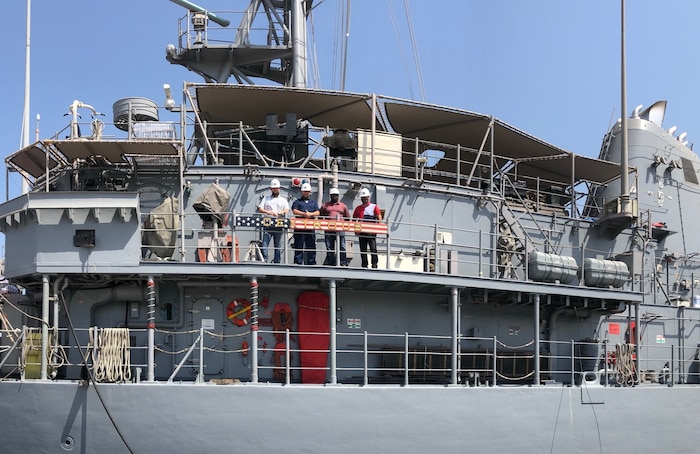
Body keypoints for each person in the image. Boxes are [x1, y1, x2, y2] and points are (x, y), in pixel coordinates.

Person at [257, 179, 289, 263]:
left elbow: (286, 209)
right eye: (273, 188)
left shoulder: (283, 200)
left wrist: (279, 213)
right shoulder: (266, 198)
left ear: (279, 189)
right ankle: (265, 259)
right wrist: (269, 212)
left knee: (277, 244)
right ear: (271, 189)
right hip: (268, 223)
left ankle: (277, 261)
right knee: (265, 243)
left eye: (276, 188)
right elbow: (260, 208)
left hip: (278, 224)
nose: (275, 189)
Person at [352, 187, 383, 268]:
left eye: (365, 198)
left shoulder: (374, 207)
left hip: (371, 232)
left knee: (373, 248)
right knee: (363, 249)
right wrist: (356, 230)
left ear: (368, 197)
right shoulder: (358, 208)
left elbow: (379, 218)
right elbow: (354, 219)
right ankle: (364, 265)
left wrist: (378, 228)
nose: (364, 199)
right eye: (363, 198)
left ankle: (374, 264)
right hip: (362, 232)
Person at [320, 187, 351, 266]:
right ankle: (331, 262)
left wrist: (344, 225)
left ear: (338, 196)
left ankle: (343, 262)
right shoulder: (325, 206)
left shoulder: (343, 206)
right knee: (329, 246)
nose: (334, 197)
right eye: (333, 195)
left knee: (342, 246)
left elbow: (347, 217)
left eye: (336, 195)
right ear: (330, 196)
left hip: (340, 229)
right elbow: (321, 215)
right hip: (329, 229)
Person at [291, 183, 320, 265]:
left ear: (310, 192)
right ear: (301, 192)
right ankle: (298, 261)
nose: (306, 193)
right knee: (299, 244)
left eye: (307, 191)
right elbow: (294, 211)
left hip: (310, 228)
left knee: (311, 245)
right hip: (299, 227)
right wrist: (303, 214)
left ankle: (312, 262)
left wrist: (310, 214)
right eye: (304, 191)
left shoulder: (313, 203)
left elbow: (318, 212)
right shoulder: (297, 202)